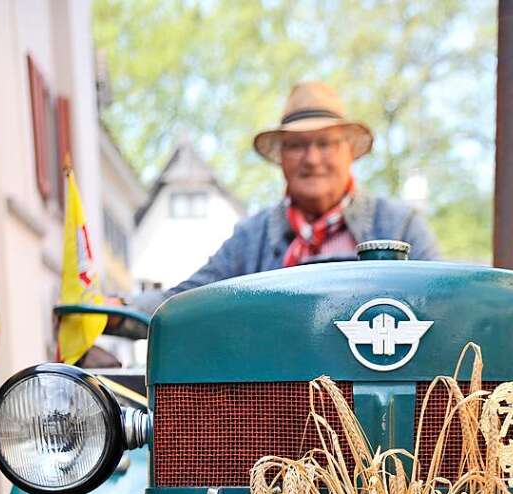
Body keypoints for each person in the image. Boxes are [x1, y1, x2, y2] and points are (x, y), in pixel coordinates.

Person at [122, 80, 439, 325]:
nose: (312, 159)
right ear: (281, 158)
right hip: (277, 403)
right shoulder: (250, 239)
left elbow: (444, 303)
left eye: (325, 144)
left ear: (349, 152)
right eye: (297, 145)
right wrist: (116, 311)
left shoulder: (401, 226)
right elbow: (185, 302)